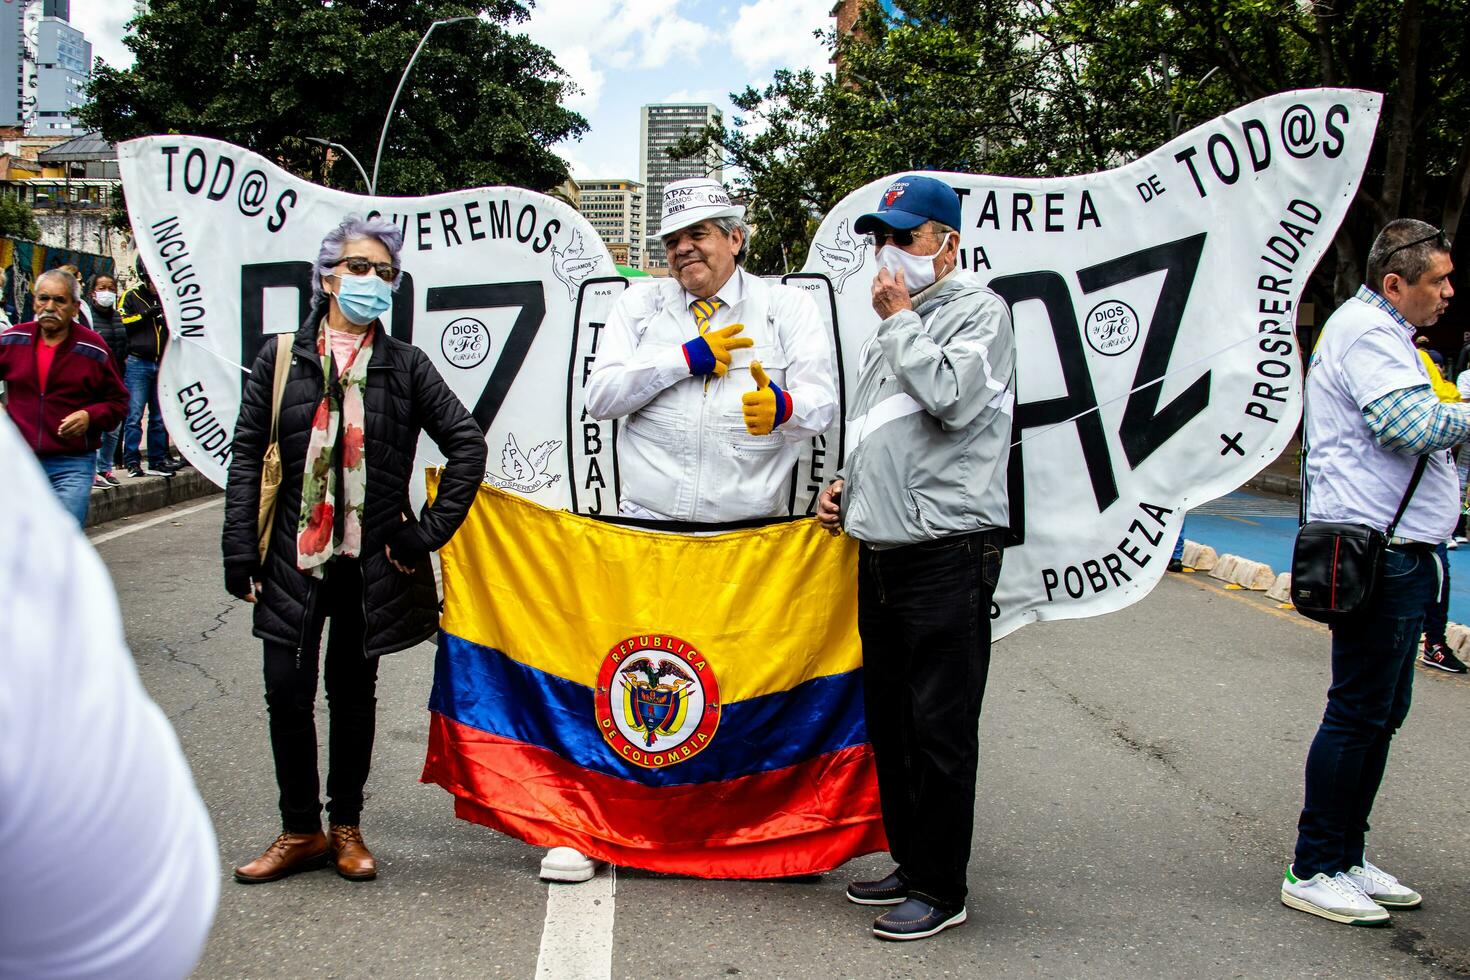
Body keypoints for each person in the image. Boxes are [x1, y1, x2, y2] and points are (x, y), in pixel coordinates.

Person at [564, 177, 839, 883]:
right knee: (640, 681)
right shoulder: (639, 305)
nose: (686, 250)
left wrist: (780, 407)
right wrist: (682, 360)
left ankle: (758, 835)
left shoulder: (786, 308)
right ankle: (613, 827)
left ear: (735, 239)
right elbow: (599, 396)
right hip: (650, 533)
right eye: (674, 240)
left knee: (746, 687)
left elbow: (823, 404)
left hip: (748, 538)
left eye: (701, 235)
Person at [222, 215, 486, 884]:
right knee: (285, 690)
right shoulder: (280, 355)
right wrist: (239, 550)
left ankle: (345, 828)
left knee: (351, 691)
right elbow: (249, 454)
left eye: (384, 272)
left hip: (368, 563)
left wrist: (423, 532)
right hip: (291, 557)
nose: (371, 281)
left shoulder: (405, 365)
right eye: (359, 266)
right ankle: (298, 830)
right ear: (328, 273)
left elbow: (467, 446)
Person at [816, 174, 1014, 941]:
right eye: (879, 239)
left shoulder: (977, 313)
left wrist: (900, 321)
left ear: (948, 244)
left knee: (939, 727)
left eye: (904, 237)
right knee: (893, 724)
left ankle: (942, 886)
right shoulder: (899, 326)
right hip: (884, 550)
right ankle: (911, 860)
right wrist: (844, 491)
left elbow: (954, 400)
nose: (888, 254)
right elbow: (886, 435)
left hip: (945, 554)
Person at [1281, 219, 1457, 926]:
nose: (1448, 292)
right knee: (1358, 712)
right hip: (1377, 555)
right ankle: (1316, 863)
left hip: (1400, 554)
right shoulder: (1365, 332)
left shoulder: (1386, 336)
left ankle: (1346, 855)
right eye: (1437, 280)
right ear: (1395, 284)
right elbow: (1408, 427)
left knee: (1382, 713)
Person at [0, 411, 218, 980]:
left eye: (61, 308)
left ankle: (336, 824)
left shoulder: (92, 350)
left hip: (64, 457)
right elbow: (136, 927)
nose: (46, 311)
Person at [0, 269, 128, 526]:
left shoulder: (92, 348)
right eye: (43, 298)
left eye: (59, 300)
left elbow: (119, 402)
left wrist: (89, 416)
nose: (49, 306)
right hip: (18, 462)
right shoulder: (13, 340)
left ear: (75, 307)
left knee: (62, 542)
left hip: (71, 464)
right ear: (34, 301)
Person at [119, 259, 181, 478]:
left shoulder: (167, 298)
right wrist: (145, 314)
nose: (155, 284)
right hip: (139, 361)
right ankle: (132, 461)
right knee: (134, 414)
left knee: (159, 415)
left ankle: (158, 459)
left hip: (162, 362)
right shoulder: (131, 296)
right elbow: (123, 321)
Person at [89, 272, 127, 488]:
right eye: (102, 287)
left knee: (113, 427)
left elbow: (123, 344)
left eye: (111, 288)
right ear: (93, 292)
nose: (107, 292)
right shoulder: (89, 317)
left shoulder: (117, 316)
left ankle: (106, 467)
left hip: (117, 377)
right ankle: (93, 471)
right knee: (96, 427)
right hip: (95, 379)